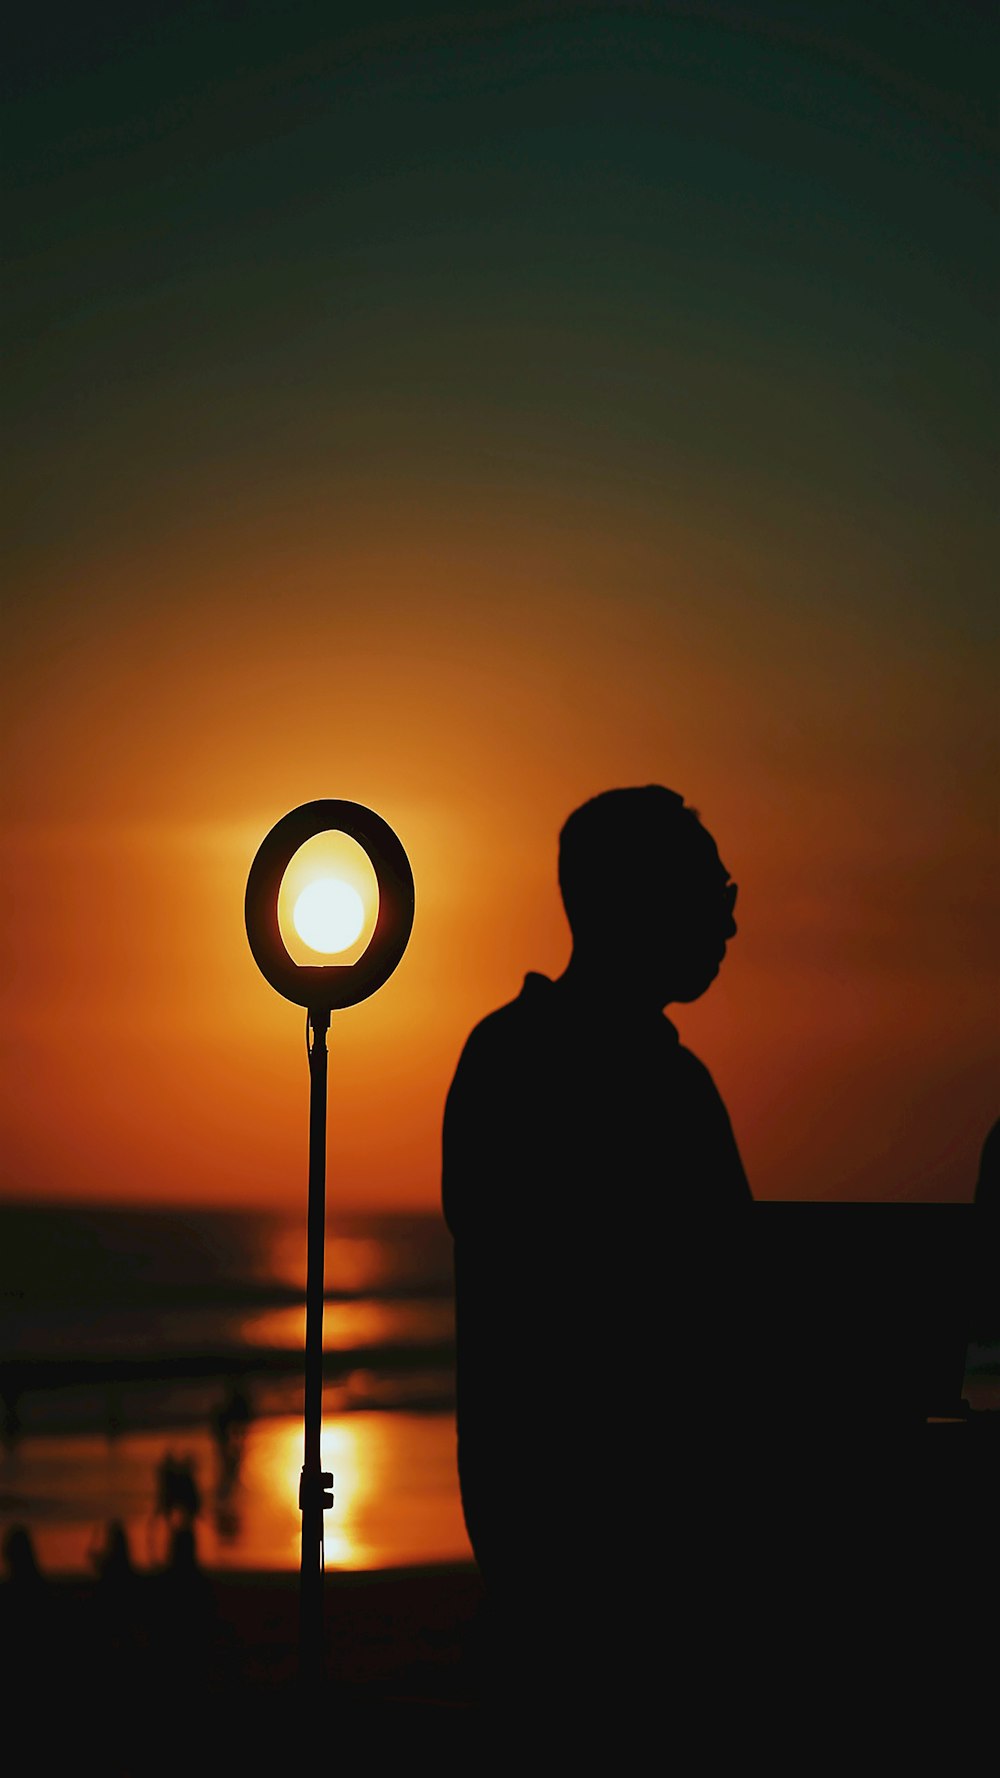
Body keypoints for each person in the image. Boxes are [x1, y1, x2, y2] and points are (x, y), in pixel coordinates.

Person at [442, 785, 751, 1707]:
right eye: (712, 888)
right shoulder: (527, 1066)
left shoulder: (657, 1077)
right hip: (586, 1552)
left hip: (598, 1544)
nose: (730, 916)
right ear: (635, 902)